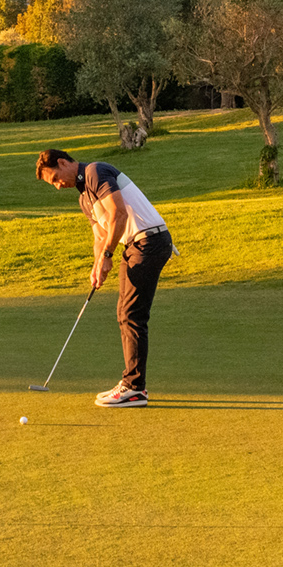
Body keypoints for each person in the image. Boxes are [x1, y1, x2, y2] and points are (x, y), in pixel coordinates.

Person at [36, 148, 174, 407]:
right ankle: (131, 384)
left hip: (150, 241)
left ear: (63, 162)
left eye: (55, 178)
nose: (57, 186)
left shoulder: (95, 172)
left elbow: (118, 213)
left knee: (132, 314)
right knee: (124, 313)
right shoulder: (84, 198)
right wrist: (97, 265)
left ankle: (135, 388)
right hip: (134, 246)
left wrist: (109, 254)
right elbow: (100, 237)